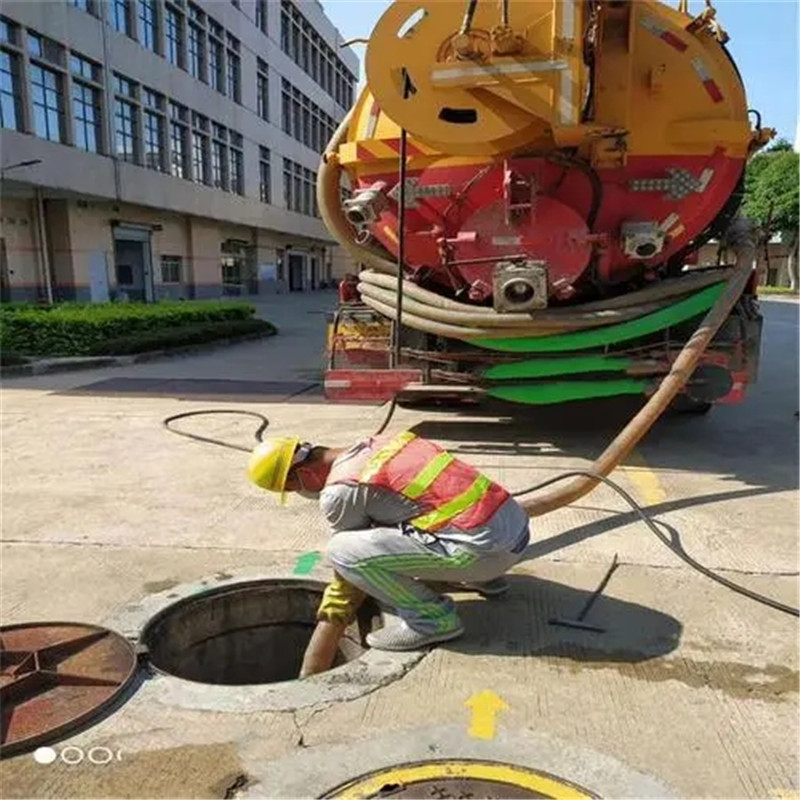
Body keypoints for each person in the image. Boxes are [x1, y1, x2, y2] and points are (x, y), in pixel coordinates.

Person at [247, 430, 530, 675]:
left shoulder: (339, 492)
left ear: (303, 473)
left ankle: (432, 620)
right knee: (415, 516)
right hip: (516, 532)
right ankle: (483, 579)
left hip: (482, 554)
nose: (300, 493)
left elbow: (350, 564)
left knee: (342, 550)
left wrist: (334, 609)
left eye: (293, 487)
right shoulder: (384, 442)